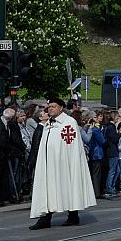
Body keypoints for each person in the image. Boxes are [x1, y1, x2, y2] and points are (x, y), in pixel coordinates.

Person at [29, 98, 96, 230]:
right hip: (49, 165)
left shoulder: (69, 123)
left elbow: (71, 146)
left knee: (69, 187)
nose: (50, 109)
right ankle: (45, 218)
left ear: (61, 108)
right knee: (47, 191)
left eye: (53, 106)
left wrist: (66, 162)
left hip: (64, 164)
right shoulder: (48, 123)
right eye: (49, 107)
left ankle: (73, 216)